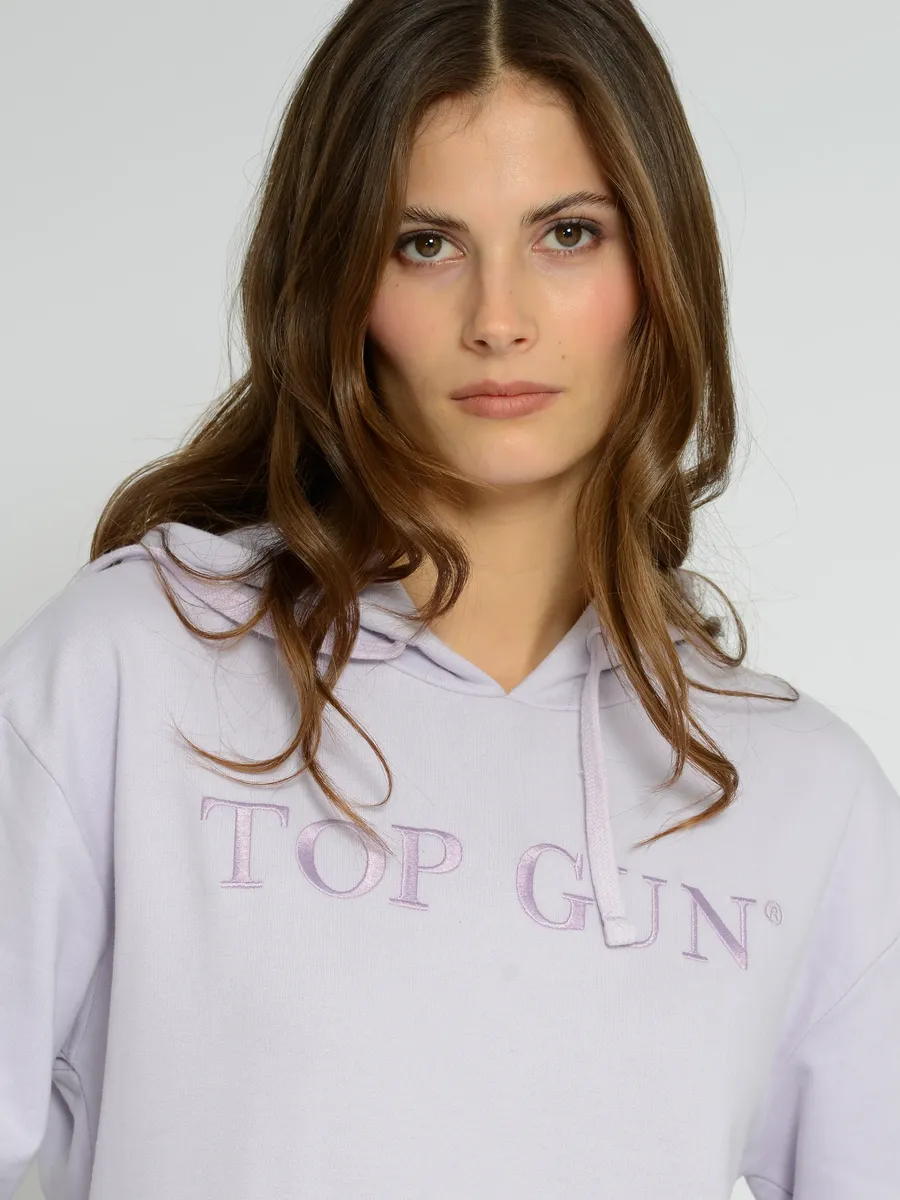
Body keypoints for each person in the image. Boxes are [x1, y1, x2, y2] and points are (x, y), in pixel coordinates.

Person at [1, 0, 897, 1197]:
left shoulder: (803, 798)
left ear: (658, 267)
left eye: (568, 234)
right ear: (340, 281)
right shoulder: (130, 670)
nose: (499, 320)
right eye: (425, 243)